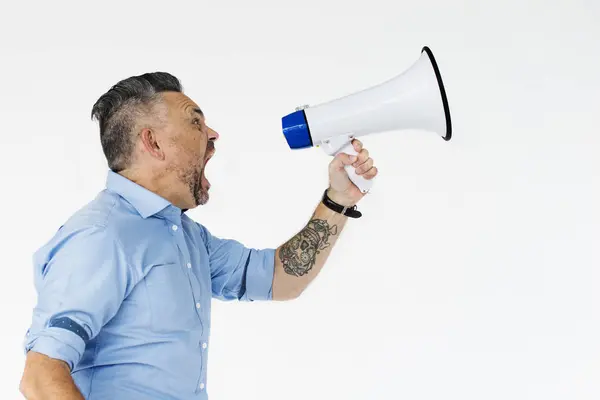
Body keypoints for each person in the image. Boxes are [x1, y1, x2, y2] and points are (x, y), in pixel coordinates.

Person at [19, 72, 378, 399]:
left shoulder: (184, 237)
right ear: (153, 143)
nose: (213, 135)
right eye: (195, 122)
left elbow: (280, 278)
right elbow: (40, 377)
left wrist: (338, 200)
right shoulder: (100, 236)